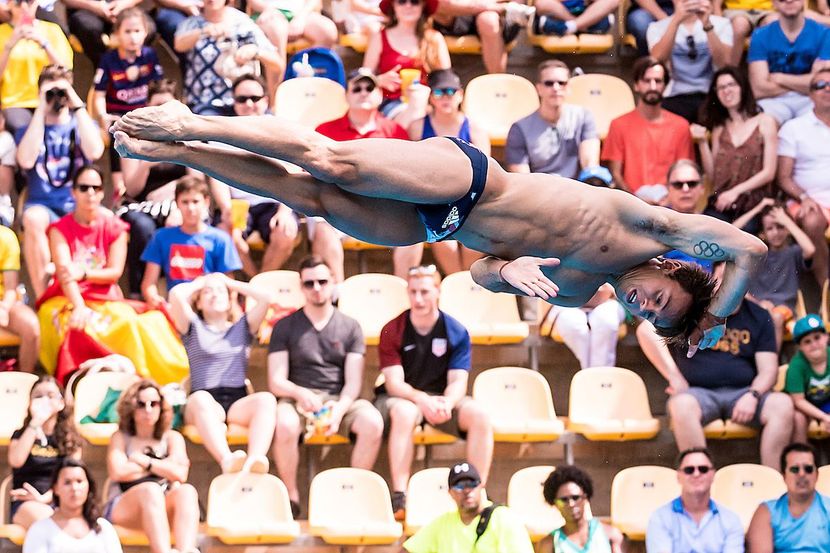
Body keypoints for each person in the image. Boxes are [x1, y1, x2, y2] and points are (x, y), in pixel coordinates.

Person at [111, 95, 771, 354]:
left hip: (437, 227)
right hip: (470, 180)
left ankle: (180, 152)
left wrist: (505, 270)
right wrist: (713, 313)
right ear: (669, 270)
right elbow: (749, 243)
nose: (643, 302)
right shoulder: (653, 227)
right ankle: (193, 122)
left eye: (650, 314)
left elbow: (484, 276)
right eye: (660, 297)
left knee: (313, 199)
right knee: (330, 157)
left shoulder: (575, 290)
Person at [36, 166, 189, 386]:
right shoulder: (60, 229)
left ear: (101, 192)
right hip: (67, 297)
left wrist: (85, 273)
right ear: (73, 192)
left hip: (105, 298)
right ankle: (72, 385)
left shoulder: (115, 227)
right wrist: (79, 305)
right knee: (73, 326)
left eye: (96, 188)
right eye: (83, 187)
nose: (90, 193)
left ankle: (140, 383)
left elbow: (115, 272)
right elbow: (65, 273)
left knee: (132, 324)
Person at [267, 255, 383, 517]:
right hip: (297, 398)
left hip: (339, 398)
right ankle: (291, 498)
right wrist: (300, 394)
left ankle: (353, 491)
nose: (316, 288)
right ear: (301, 287)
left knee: (372, 422)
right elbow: (276, 381)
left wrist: (339, 410)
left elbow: (353, 384)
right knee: (283, 423)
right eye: (309, 283)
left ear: (333, 283)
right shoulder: (285, 326)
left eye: (322, 281)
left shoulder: (350, 326)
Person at [376, 264, 492, 519]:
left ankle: (477, 492)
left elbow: (458, 382)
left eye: (425, 292)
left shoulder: (456, 331)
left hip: (441, 399)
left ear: (438, 291)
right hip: (402, 398)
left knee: (479, 414)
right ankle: (400, 496)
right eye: (413, 292)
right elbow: (394, 383)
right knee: (405, 413)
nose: (418, 299)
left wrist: (448, 403)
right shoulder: (392, 329)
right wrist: (422, 400)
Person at [637, 295, 794, 468]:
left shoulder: (759, 315)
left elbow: (769, 370)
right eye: (723, 278)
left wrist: (753, 395)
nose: (730, 286)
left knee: (782, 404)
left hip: (744, 392)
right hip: (698, 394)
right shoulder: (691, 308)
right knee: (681, 405)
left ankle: (773, 480)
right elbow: (646, 329)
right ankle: (699, 477)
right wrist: (675, 377)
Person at [169, 272, 278, 474]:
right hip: (205, 399)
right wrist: (201, 282)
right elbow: (175, 294)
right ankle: (226, 460)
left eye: (220, 292)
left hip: (237, 400)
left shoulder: (243, 327)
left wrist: (229, 283)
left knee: (266, 400)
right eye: (207, 292)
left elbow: (266, 298)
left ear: (230, 301)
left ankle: (256, 459)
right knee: (201, 399)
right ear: (199, 303)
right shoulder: (192, 327)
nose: (214, 295)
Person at [17, 65, 104, 300]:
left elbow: (95, 150)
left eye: (61, 93)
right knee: (32, 218)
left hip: (77, 205)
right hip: (42, 205)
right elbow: (25, 160)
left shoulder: (82, 125)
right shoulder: (29, 130)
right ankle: (44, 297)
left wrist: (75, 101)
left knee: (106, 217)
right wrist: (40, 110)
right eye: (51, 93)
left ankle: (93, 294)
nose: (57, 99)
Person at [210, 74, 308, 279]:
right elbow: (216, 176)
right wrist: (228, 211)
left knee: (286, 230)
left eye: (254, 98)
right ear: (233, 102)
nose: (248, 104)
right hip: (238, 204)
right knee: (225, 231)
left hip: (274, 201)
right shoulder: (223, 131)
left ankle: (258, 283)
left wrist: (284, 210)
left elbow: (294, 172)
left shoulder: (282, 130)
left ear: (265, 100)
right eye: (241, 99)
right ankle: (256, 283)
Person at [315, 67, 407, 283]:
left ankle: (406, 293)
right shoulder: (325, 131)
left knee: (415, 233)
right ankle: (336, 295)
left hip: (384, 206)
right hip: (340, 206)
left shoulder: (395, 131)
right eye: (357, 88)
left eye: (370, 87)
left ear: (379, 94)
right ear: (347, 95)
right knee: (322, 230)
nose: (363, 92)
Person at [399, 68, 487, 279]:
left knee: (472, 243)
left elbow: (485, 173)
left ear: (460, 94)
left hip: (468, 199)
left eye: (451, 91)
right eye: (439, 92)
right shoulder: (418, 127)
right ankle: (459, 284)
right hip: (432, 199)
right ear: (431, 97)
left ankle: (466, 284)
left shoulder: (475, 129)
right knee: (445, 243)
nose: (446, 97)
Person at [105, 379, 200, 553]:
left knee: (187, 492)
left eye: (153, 404)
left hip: (161, 506)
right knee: (150, 490)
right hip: (124, 505)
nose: (148, 410)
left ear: (161, 407)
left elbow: (180, 474)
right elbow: (118, 472)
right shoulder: (120, 437)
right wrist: (164, 467)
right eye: (141, 404)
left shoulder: (172, 437)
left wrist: (144, 461)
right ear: (131, 407)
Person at [114, 79, 188, 298]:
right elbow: (132, 189)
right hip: (140, 205)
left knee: (184, 221)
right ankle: (140, 291)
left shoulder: (188, 137)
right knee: (142, 227)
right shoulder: (132, 136)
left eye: (167, 105)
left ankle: (180, 290)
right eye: (157, 105)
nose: (162, 111)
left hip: (177, 203)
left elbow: (196, 182)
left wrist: (174, 198)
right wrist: (147, 159)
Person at [92, 8, 164, 201]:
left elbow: (160, 87)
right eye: (127, 32)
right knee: (116, 133)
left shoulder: (149, 55)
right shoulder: (109, 59)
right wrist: (102, 117)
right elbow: (98, 95)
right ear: (117, 34)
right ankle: (119, 188)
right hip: (119, 116)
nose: (133, 37)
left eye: (137, 31)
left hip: (144, 115)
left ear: (145, 33)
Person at [602, 57, 695, 204]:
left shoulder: (680, 126)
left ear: (665, 86)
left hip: (670, 206)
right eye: (646, 81)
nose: (652, 86)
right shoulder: (618, 125)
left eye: (658, 81)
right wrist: (636, 202)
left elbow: (684, 172)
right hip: (631, 204)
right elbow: (615, 174)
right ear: (636, 85)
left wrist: (667, 202)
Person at [694, 66, 777, 228]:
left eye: (731, 85)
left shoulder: (765, 122)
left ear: (742, 87)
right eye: (721, 87)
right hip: (722, 203)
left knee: (742, 238)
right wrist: (703, 143)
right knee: (706, 232)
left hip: (754, 204)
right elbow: (713, 176)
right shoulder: (719, 129)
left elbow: (769, 172)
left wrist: (736, 191)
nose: (727, 91)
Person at [140, 176, 242, 307]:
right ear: (177, 203)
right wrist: (155, 300)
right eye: (185, 202)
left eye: (195, 201)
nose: (191, 208)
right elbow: (149, 284)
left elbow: (229, 287)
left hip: (209, 307)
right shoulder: (161, 237)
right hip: (175, 305)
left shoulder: (220, 239)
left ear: (206, 202)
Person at [174, 0, 282, 115]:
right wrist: (203, 31)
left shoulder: (243, 23)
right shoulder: (192, 23)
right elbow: (179, 45)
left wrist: (256, 52)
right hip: (204, 103)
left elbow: (277, 64)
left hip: (243, 101)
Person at [403, 461, 534, 553]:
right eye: (459, 486)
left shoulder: (504, 518)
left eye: (472, 484)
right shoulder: (443, 523)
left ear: (481, 486)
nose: (466, 490)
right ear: (450, 492)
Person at [777, 68, 830, 288]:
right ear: (810, 94)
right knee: (812, 220)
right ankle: (826, 290)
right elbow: (784, 177)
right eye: (820, 85)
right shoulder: (794, 128)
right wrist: (804, 197)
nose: (827, 89)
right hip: (810, 201)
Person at [506, 60, 600, 180]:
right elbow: (522, 178)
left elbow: (590, 166)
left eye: (562, 83)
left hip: (577, 189)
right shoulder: (519, 128)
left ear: (569, 87)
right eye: (549, 83)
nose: (556, 88)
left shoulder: (584, 117)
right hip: (539, 192)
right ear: (538, 89)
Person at [738, 201, 814, 349]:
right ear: (763, 232)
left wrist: (787, 220)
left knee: (776, 317)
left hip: (783, 308)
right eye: (770, 228)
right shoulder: (758, 253)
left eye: (780, 227)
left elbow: (810, 249)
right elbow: (731, 232)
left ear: (787, 229)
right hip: (755, 304)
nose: (776, 232)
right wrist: (757, 208)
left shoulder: (793, 253)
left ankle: (771, 359)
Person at [8, 377, 81, 530]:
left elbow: (71, 477)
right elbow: (15, 460)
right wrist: (35, 423)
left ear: (61, 403)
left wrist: (44, 498)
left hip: (59, 502)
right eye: (38, 396)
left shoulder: (70, 439)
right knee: (49, 523)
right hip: (25, 503)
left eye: (50, 395)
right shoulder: (21, 434)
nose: (44, 400)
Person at [361, 0, 450, 122]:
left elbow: (446, 79)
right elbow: (363, 78)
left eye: (414, 2)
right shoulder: (380, 37)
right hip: (390, 102)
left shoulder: (434, 38)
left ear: (422, 6)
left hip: (429, 102)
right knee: (415, 116)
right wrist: (379, 80)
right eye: (402, 1)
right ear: (394, 6)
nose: (408, 5)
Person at [647, 0, 732, 123]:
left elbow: (724, 64)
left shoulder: (722, 24)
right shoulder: (656, 27)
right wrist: (675, 22)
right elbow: (657, 60)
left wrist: (707, 25)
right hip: (673, 96)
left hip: (711, 95)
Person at [747, 0, 830, 125]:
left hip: (809, 99)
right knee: (765, 123)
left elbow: (820, 83)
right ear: (773, 3)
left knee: (818, 121)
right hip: (773, 101)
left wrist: (779, 78)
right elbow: (758, 88)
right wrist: (804, 83)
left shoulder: (823, 33)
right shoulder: (760, 35)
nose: (789, 1)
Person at [646, 447, 744, 553]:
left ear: (713, 475)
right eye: (689, 470)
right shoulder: (660, 518)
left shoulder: (731, 520)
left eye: (703, 469)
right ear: (678, 476)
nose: (696, 474)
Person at [0, 0, 73, 135]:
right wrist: (9, 46)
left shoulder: (52, 30)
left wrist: (45, 44)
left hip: (51, 98)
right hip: (16, 103)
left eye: (28, 1)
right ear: (8, 4)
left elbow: (66, 72)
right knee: (22, 129)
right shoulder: (2, 32)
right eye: (17, 2)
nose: (23, 6)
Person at [22, 458, 122, 553]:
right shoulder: (40, 530)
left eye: (79, 481)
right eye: (67, 482)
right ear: (55, 488)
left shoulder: (103, 528)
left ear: (88, 486)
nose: (74, 488)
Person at [746, 442, 830, 552]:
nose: (801, 474)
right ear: (784, 475)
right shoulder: (766, 512)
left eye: (808, 469)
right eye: (795, 469)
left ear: (817, 475)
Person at [535, 465, 623, 553]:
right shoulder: (549, 544)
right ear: (555, 503)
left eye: (575, 497)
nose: (571, 504)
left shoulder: (610, 535)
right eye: (564, 500)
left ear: (585, 497)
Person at [431, 0, 534, 74]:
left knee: (488, 20)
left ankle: (498, 89)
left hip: (496, 15)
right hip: (458, 11)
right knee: (436, 6)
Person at [541, 283, 625, 369]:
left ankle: (600, 374)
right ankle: (589, 372)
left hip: (608, 301)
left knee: (606, 321)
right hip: (567, 303)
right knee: (571, 323)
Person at [0, 223, 40, 372]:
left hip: (4, 302)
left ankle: (24, 385)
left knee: (31, 328)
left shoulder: (6, 237)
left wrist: (4, 308)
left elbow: (11, 287)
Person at [784, 315, 830, 442]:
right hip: (804, 405)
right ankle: (801, 456)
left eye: (817, 337)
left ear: (826, 337)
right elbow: (798, 400)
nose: (814, 344)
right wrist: (824, 417)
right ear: (800, 347)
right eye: (807, 341)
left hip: (827, 402)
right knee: (798, 419)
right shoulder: (797, 365)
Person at [532, 0, 618, 37]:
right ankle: (578, 26)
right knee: (542, 3)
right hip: (560, 15)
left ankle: (571, 27)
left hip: (587, 13)